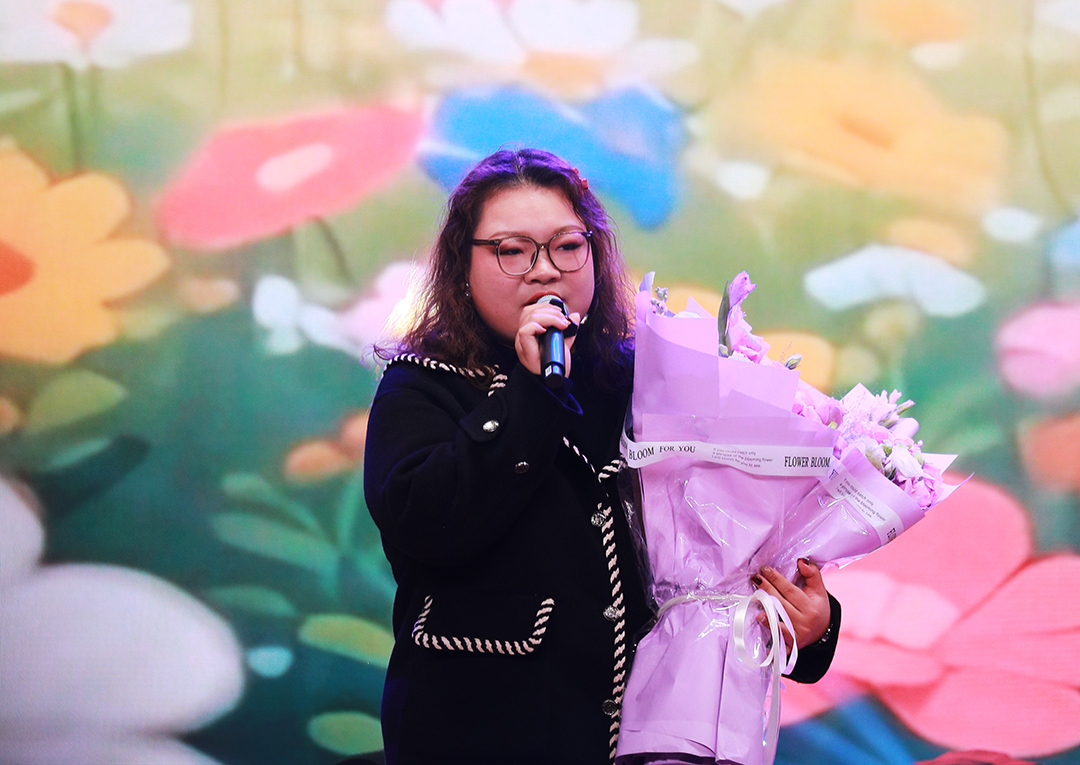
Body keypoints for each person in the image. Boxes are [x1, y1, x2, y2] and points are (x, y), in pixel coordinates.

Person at [362, 147, 840, 765]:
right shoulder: (423, 384)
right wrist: (530, 391)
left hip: (645, 738)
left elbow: (726, 548)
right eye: (512, 250)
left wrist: (809, 623)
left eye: (567, 246)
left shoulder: (650, 382)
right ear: (462, 267)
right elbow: (428, 526)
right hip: (481, 735)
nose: (544, 270)